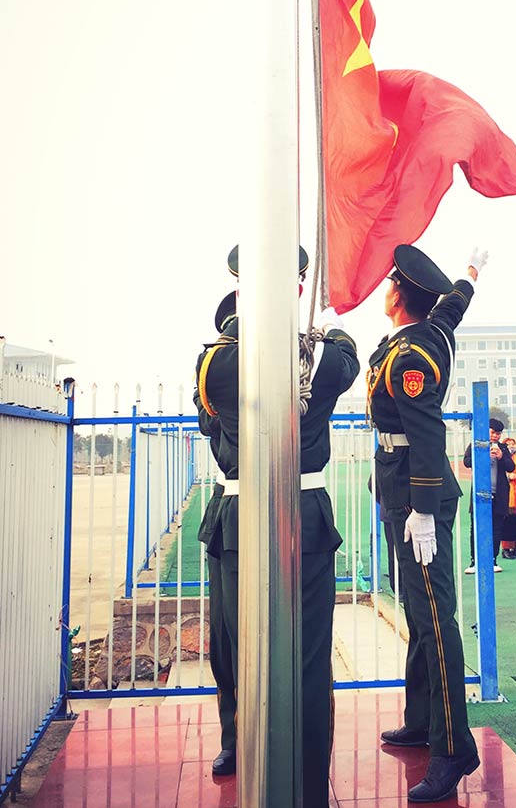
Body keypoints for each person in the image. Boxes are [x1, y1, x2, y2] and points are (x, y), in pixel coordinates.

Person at [196, 245, 359, 808]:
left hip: (242, 518)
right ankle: (302, 782)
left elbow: (211, 422)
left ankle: (260, 767)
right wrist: (317, 326)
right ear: (298, 287)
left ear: (241, 287)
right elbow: (345, 357)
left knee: (242, 649)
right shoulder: (324, 357)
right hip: (297, 518)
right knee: (301, 660)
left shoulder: (218, 362)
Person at [368, 244, 487, 803]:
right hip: (404, 494)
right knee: (418, 613)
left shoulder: (411, 357)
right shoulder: (431, 332)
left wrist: (421, 509)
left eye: (390, 283)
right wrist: (470, 275)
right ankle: (421, 720)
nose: (385, 289)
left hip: (419, 502)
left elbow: (427, 433)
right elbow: (452, 308)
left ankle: (453, 748)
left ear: (400, 296)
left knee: (436, 621)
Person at [193, 290, 238, 776]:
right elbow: (208, 419)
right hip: (228, 508)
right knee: (225, 640)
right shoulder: (216, 374)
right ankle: (234, 737)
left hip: (280, 504)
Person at [463, 419, 515, 573]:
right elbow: (467, 462)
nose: (495, 436)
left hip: (499, 494)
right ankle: (474, 562)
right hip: (480, 494)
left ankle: (493, 560)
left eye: (498, 433)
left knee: (496, 528)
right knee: (476, 527)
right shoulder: (476, 444)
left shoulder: (503, 448)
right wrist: (483, 455)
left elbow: (511, 467)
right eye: (492, 432)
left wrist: (501, 457)